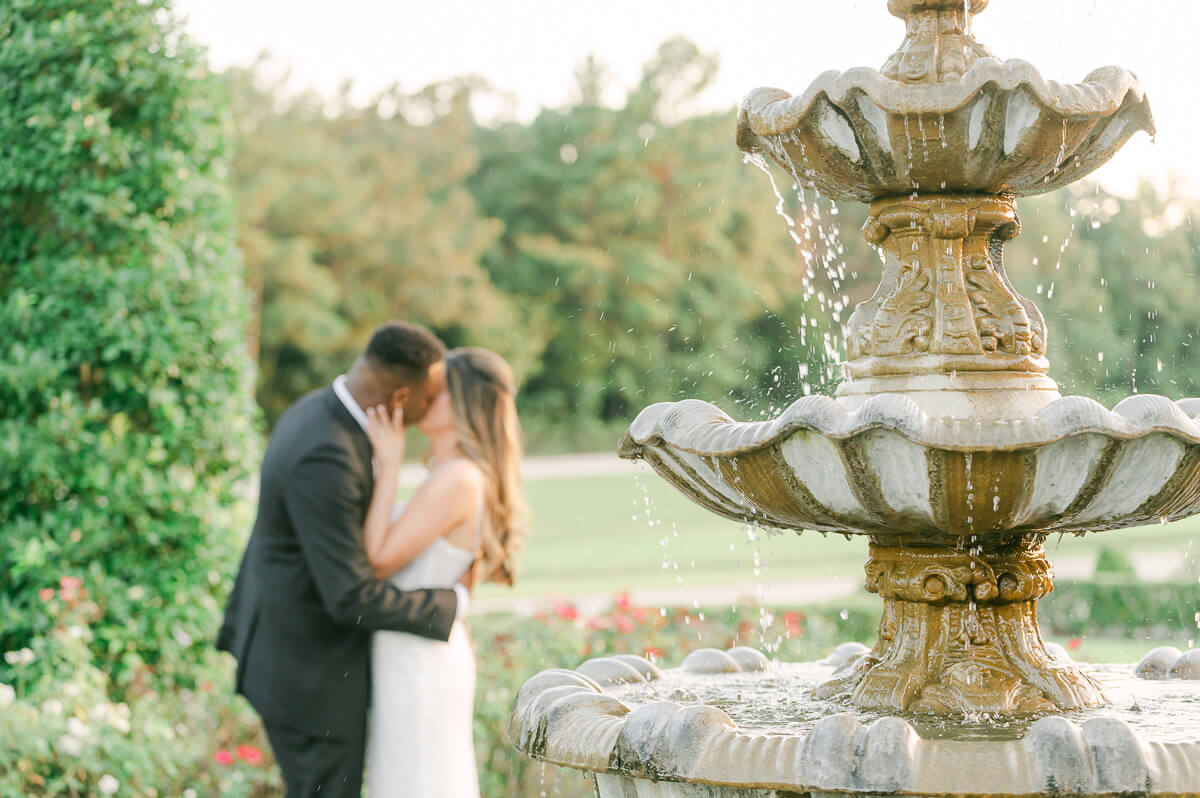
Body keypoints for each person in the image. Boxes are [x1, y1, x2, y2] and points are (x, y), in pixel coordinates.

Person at [217, 321, 472, 798]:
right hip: (310, 679)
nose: (432, 409)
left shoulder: (316, 411)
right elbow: (348, 596)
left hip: (294, 655)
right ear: (400, 397)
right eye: (430, 397)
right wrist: (449, 604)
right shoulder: (327, 455)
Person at [360, 347, 526, 798]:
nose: (422, 397)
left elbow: (378, 558)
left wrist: (388, 466)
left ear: (463, 402)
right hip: (414, 649)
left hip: (417, 660)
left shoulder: (458, 478)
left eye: (435, 392)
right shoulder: (458, 475)